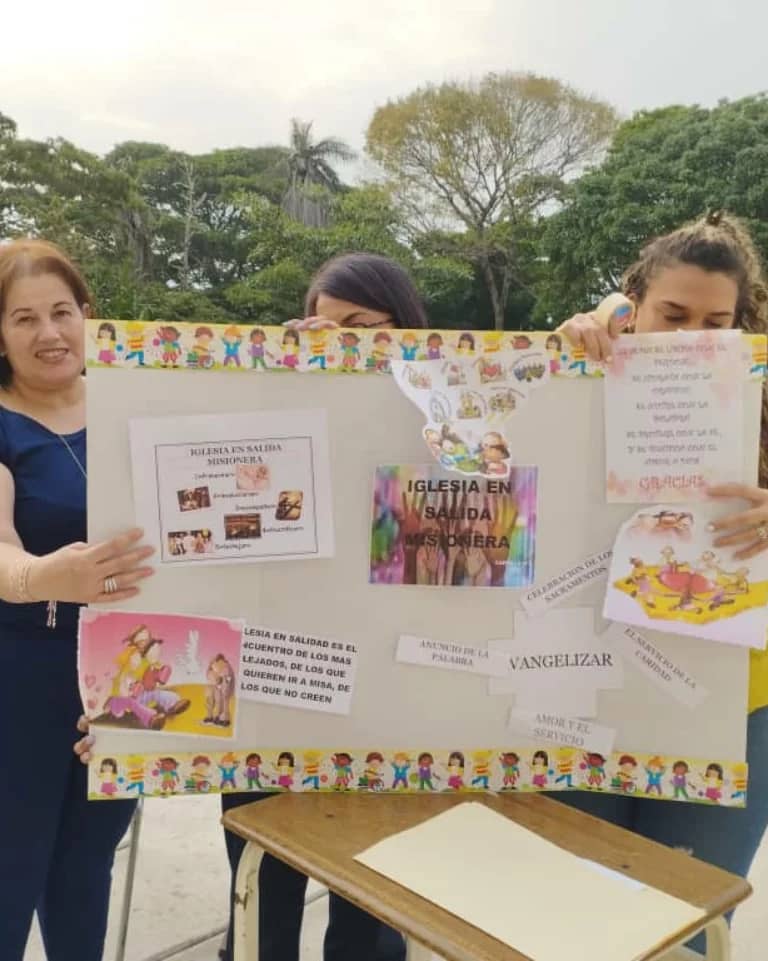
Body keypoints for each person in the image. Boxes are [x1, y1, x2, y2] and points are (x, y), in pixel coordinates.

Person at [75, 251, 427, 961]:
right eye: (322, 329)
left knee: (370, 907)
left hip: (382, 693)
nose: (341, 346)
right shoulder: (269, 407)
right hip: (269, 685)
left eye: (361, 329)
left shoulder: (439, 418)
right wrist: (278, 374)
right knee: (262, 894)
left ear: (409, 327)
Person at [555, 211, 768, 947]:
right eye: (672, 315)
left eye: (716, 321)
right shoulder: (583, 371)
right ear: (636, 303)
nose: (691, 337)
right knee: (570, 919)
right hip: (589, 682)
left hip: (734, 698)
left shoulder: (759, 391)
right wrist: (586, 331)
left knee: (684, 930)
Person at [0, 239, 155, 961]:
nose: (49, 333)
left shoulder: (142, 403)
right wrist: (42, 577)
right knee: (10, 871)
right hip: (20, 676)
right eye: (23, 318)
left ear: (88, 314)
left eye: (62, 311)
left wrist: (319, 354)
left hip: (129, 670)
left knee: (86, 869)